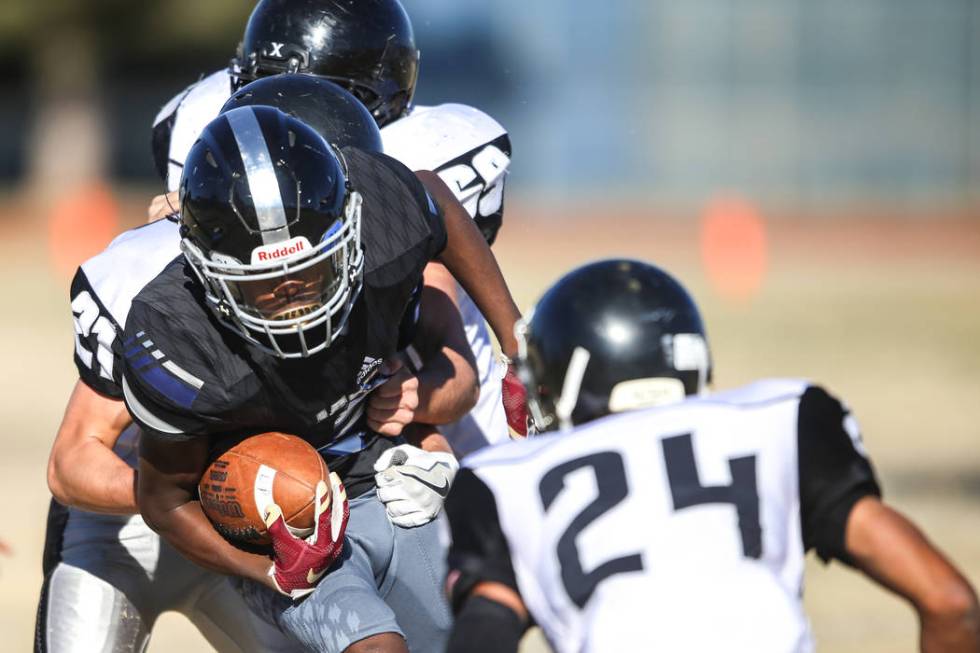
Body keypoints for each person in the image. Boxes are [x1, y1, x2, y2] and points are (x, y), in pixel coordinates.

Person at [37, 81, 472, 653]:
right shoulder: (150, 286)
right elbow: (72, 462)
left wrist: (426, 434)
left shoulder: (371, 253)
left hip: (279, 531)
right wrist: (221, 492)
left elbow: (432, 381)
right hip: (138, 524)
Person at [128, 106, 522, 653]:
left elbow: (434, 198)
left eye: (311, 269)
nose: (293, 294)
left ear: (351, 233)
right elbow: (164, 502)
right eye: (263, 283)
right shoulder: (179, 334)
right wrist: (271, 569)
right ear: (208, 273)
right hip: (284, 530)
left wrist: (514, 339)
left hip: (386, 479)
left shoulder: (384, 217)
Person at [445, 259, 980, 653]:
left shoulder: (504, 480)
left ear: (571, 375)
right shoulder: (782, 420)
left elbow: (485, 634)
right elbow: (950, 602)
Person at [152, 0, 526, 455]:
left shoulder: (400, 164)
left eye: (304, 97)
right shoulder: (208, 123)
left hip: (404, 402)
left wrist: (511, 344)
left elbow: (449, 355)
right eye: (264, 86)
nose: (281, 114)